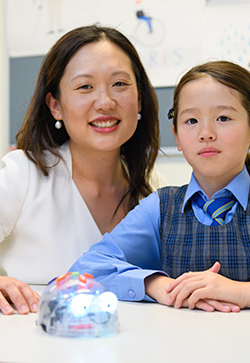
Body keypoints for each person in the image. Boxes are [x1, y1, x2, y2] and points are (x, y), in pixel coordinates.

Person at [70, 60, 250, 312]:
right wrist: (155, 285)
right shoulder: (159, 208)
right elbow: (85, 270)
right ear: (177, 136)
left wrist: (248, 292)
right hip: (178, 348)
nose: (205, 133)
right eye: (191, 121)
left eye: (223, 118)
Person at [0, 24, 166, 315]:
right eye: (85, 87)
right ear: (55, 106)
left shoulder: (154, 188)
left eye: (120, 84)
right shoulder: (21, 174)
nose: (105, 102)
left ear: (139, 99)